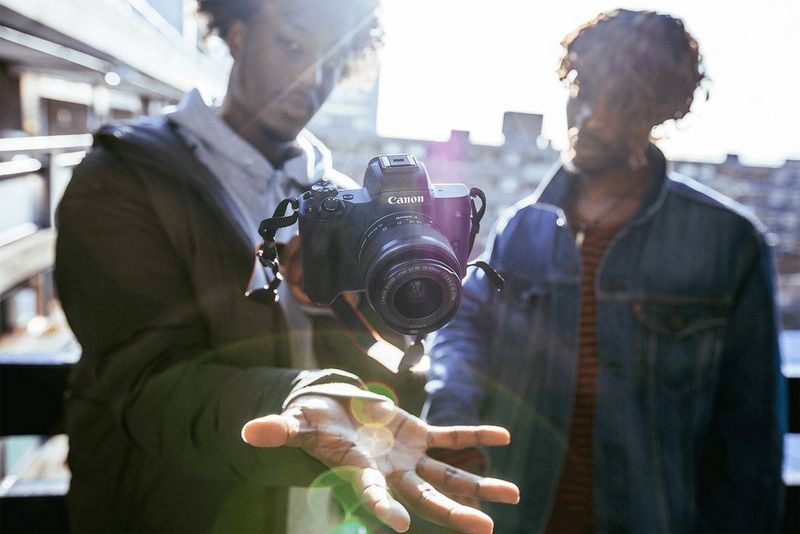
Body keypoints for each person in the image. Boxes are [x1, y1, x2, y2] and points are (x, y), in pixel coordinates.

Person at [55, 1, 518, 532]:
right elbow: (146, 381)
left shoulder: (345, 202)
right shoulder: (123, 177)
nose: (313, 79)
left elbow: (389, 371)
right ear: (236, 33)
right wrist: (292, 397)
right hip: (173, 513)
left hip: (321, 512)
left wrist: (375, 323)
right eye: (292, 45)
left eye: (333, 62)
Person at [425, 8, 786, 533]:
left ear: (660, 110)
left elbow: (751, 441)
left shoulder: (729, 242)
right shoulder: (521, 228)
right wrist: (452, 412)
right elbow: (463, 323)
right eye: (581, 90)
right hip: (521, 518)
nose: (589, 115)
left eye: (619, 100)